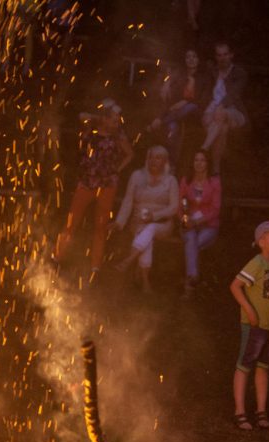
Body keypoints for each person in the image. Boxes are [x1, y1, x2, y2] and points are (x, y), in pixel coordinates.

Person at [53, 98, 133, 282]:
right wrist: (101, 117)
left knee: (100, 226)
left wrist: (116, 170)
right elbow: (81, 116)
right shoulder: (92, 127)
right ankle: (57, 257)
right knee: (72, 221)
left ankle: (95, 268)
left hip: (107, 185)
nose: (116, 122)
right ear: (104, 118)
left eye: (117, 119)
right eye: (113, 118)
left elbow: (130, 154)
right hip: (87, 182)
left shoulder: (118, 135)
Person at [229, 221, 269, 430]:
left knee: (263, 367)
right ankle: (240, 412)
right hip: (254, 326)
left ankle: (261, 411)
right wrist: (249, 310)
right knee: (244, 365)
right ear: (262, 241)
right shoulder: (257, 262)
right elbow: (235, 286)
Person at [111, 145, 180, 293]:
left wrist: (154, 216)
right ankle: (144, 281)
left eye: (158, 158)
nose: (154, 160)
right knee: (145, 232)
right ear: (147, 159)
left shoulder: (171, 180)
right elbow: (128, 200)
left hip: (163, 225)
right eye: (151, 157)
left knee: (150, 228)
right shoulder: (137, 176)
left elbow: (174, 207)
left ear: (165, 161)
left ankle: (131, 261)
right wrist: (119, 222)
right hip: (138, 222)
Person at [148, 49, 208, 168]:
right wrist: (168, 86)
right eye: (188, 57)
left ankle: (160, 121)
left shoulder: (204, 77)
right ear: (185, 60)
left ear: (198, 59)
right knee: (172, 128)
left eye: (194, 56)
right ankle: (171, 165)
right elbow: (172, 100)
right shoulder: (180, 77)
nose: (191, 59)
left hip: (196, 112)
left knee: (190, 106)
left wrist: (186, 101)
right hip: (177, 114)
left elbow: (204, 99)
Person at [177, 149, 221, 296]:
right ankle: (193, 279)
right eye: (196, 160)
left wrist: (197, 222)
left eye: (202, 160)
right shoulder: (186, 180)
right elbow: (180, 205)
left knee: (192, 244)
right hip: (188, 225)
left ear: (208, 163)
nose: (199, 163)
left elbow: (215, 209)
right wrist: (186, 220)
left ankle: (189, 284)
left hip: (208, 225)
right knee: (191, 239)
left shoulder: (215, 182)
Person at [200, 41, 247, 174]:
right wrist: (206, 110)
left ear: (231, 55)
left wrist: (220, 107)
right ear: (216, 57)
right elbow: (207, 93)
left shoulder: (239, 73)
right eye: (219, 55)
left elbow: (234, 94)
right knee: (222, 129)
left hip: (234, 112)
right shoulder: (213, 72)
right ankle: (216, 171)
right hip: (215, 112)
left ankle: (203, 149)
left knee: (221, 114)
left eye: (225, 54)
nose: (223, 58)